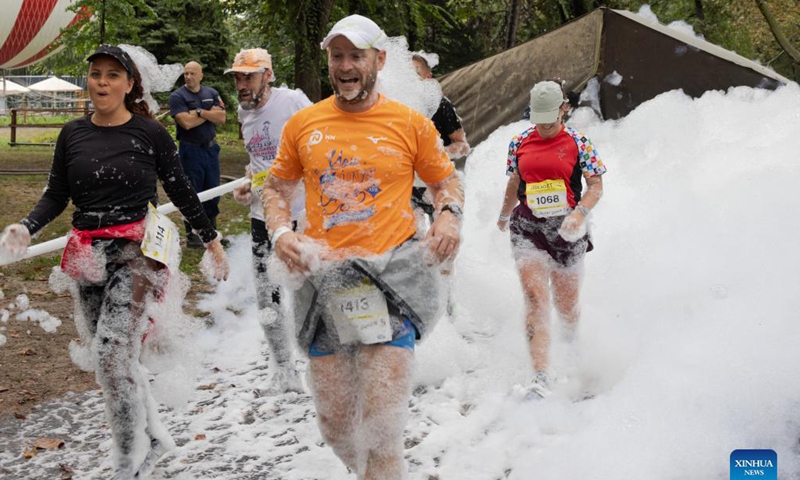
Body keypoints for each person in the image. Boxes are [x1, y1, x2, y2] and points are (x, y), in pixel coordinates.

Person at [0, 45, 230, 478]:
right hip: (88, 254)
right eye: (95, 74)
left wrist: (212, 241)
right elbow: (56, 194)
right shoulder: (72, 133)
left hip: (137, 252)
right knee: (114, 360)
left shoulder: (149, 133)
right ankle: (154, 437)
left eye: (112, 75)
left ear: (129, 85)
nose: (101, 82)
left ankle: (129, 461)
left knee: (110, 356)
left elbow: (180, 189)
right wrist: (27, 226)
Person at [261, 14, 464, 480]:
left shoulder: (409, 123)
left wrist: (448, 217)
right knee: (335, 426)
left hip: (392, 280)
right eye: (337, 56)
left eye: (357, 55)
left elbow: (446, 182)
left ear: (380, 59)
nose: (346, 65)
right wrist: (281, 233)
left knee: (382, 429)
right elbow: (274, 189)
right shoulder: (304, 124)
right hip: (325, 281)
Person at [497, 80, 606, 399]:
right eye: (539, 119)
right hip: (528, 226)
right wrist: (504, 216)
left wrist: (580, 214)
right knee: (534, 296)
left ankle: (572, 352)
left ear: (564, 109)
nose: (544, 126)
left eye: (551, 119)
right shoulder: (519, 142)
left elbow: (596, 187)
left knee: (566, 305)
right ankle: (540, 376)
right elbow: (513, 183)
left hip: (566, 231)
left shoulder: (579, 142)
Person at [225, 48, 312, 394]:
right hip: (263, 215)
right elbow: (257, 163)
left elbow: (321, 142)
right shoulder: (242, 112)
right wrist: (248, 183)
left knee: (310, 290)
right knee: (266, 295)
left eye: (248, 76)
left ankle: (321, 363)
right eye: (237, 77)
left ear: (268, 75)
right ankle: (283, 369)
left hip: (303, 215)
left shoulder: (292, 102)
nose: (241, 84)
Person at [168, 61, 227, 248]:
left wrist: (199, 112)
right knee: (192, 192)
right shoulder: (177, 96)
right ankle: (194, 236)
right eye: (186, 73)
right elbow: (186, 123)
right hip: (190, 150)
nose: (188, 77)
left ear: (201, 75)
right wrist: (209, 113)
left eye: (193, 73)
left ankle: (211, 232)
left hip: (210, 150)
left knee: (213, 190)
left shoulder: (211, 93)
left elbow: (222, 118)